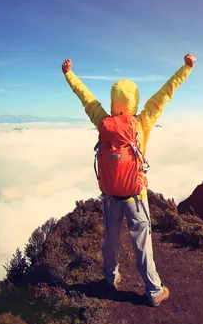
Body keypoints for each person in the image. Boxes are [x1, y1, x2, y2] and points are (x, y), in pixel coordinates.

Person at [61, 54, 196, 307]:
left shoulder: (103, 122)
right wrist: (185, 69)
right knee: (142, 243)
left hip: (110, 195)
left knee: (111, 240)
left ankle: (111, 278)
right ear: (134, 101)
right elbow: (165, 93)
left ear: (113, 101)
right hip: (135, 196)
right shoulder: (141, 123)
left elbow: (86, 98)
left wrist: (69, 74)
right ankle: (154, 291)